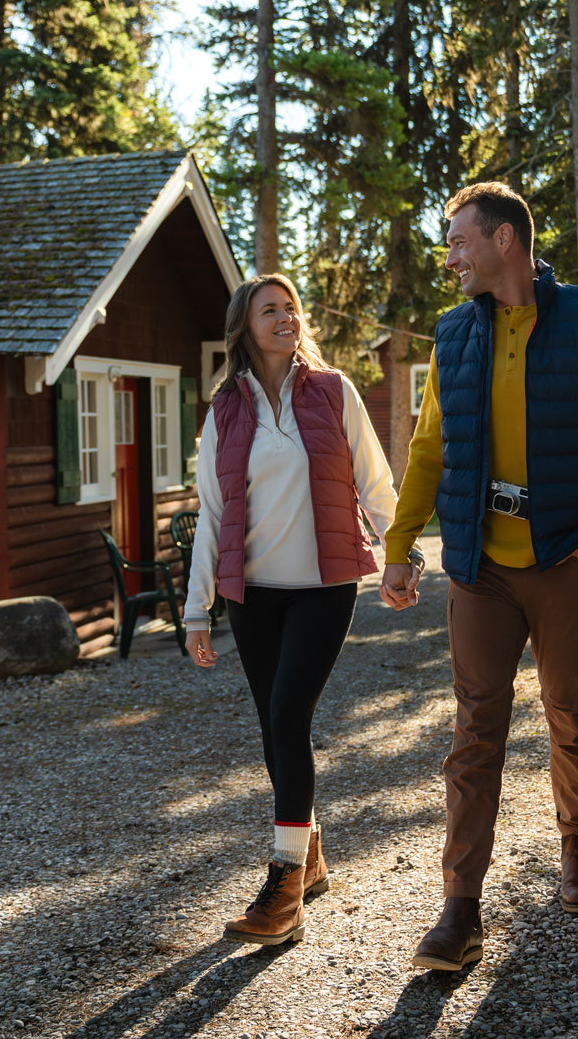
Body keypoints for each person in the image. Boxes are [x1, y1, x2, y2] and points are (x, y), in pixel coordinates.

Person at [379, 182, 578, 970]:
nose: (450, 257)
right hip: (480, 566)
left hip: (567, 558)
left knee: (569, 713)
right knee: (475, 731)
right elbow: (428, 450)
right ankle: (460, 906)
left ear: (506, 240)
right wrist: (401, 543)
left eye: (459, 241)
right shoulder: (452, 335)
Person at [182, 273, 407, 948]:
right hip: (253, 593)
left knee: (288, 712)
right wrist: (198, 610)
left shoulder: (333, 391)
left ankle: (283, 885)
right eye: (269, 310)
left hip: (323, 584)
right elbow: (212, 516)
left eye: (291, 308)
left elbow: (376, 481)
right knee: (274, 725)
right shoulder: (225, 408)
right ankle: (306, 855)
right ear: (244, 328)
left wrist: (401, 555)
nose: (285, 318)